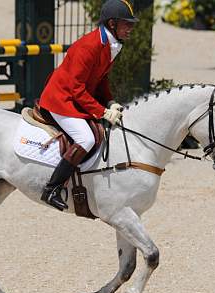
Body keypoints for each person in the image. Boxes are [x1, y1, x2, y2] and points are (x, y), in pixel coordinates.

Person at [38, 0, 138, 211]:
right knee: (87, 138)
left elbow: (100, 79)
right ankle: (52, 189)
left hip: (76, 98)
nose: (131, 28)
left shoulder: (109, 43)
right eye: (127, 24)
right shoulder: (88, 46)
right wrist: (102, 111)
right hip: (61, 100)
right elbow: (76, 88)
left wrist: (110, 101)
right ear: (112, 24)